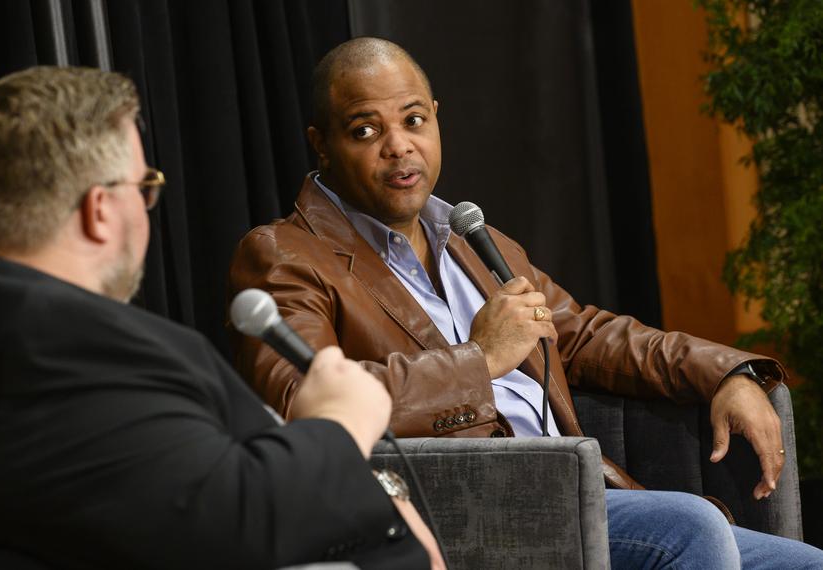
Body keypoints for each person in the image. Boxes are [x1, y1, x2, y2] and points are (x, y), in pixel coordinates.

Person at [228, 37, 823, 568]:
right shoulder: (286, 255)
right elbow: (305, 402)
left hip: (571, 495)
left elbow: (588, 334)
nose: (398, 147)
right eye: (365, 130)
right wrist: (478, 360)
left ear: (437, 120)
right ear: (322, 146)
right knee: (690, 528)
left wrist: (726, 373)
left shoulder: (474, 240)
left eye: (413, 120)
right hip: (460, 510)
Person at [0, 66, 446, 570]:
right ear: (102, 210)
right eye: (145, 187)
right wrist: (341, 422)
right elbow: (234, 520)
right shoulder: (64, 344)